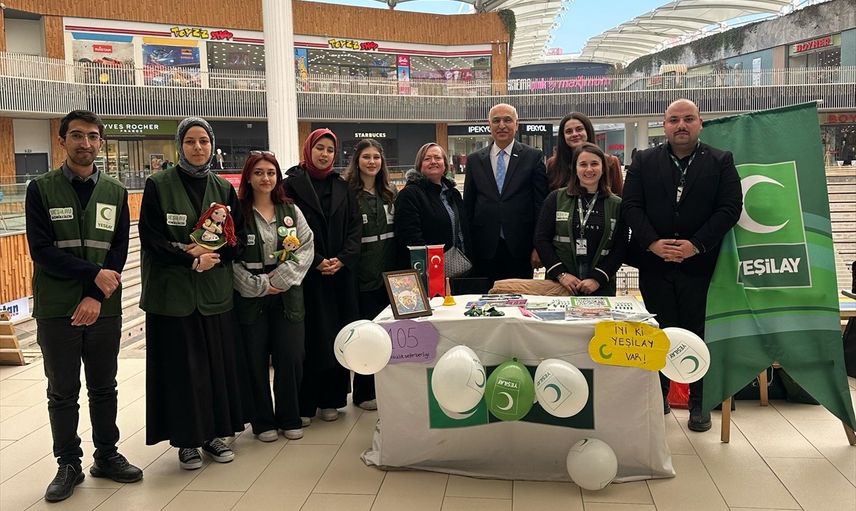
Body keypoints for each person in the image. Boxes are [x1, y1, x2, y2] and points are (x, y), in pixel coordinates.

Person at [25, 110, 142, 502]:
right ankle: (68, 463)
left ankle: (106, 455)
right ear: (63, 141)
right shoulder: (40, 189)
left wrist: (95, 295)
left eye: (92, 136)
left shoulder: (115, 191)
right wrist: (93, 276)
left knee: (104, 387)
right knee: (62, 391)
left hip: (103, 308)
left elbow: (119, 248)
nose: (85, 143)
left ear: (100, 142)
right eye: (77, 135)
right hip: (57, 307)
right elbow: (41, 250)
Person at [621, 98, 742, 432]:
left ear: (700, 123)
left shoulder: (720, 160)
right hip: (655, 264)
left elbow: (730, 208)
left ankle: (699, 403)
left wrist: (695, 245)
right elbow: (631, 206)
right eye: (674, 120)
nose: (681, 125)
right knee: (659, 333)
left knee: (697, 332)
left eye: (688, 119)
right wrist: (652, 243)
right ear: (664, 125)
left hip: (700, 265)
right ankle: (657, 397)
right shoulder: (643, 160)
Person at [139, 117, 247, 469]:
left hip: (214, 295)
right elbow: (151, 238)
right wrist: (190, 260)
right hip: (173, 297)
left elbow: (238, 240)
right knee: (181, 371)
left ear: (212, 145)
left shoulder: (223, 188)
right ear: (179, 146)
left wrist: (213, 257)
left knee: (215, 368)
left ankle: (213, 435)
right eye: (190, 141)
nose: (198, 147)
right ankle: (186, 441)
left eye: (204, 141)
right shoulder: (158, 185)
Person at [233, 151, 314, 441]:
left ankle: (290, 417)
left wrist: (279, 279)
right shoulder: (237, 213)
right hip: (250, 297)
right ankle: (263, 422)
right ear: (248, 177)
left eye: (270, 172)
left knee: (290, 356)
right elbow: (228, 257)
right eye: (258, 173)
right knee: (254, 359)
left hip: (287, 296)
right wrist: (259, 285)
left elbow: (306, 247)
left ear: (278, 177)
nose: (265, 178)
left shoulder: (290, 210)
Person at [283, 128, 361, 424]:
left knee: (337, 334)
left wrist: (342, 259)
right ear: (308, 149)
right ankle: (306, 402)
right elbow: (286, 229)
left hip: (339, 275)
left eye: (330, 149)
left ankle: (332, 398)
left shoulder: (342, 186)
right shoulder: (291, 185)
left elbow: (354, 227)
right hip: (307, 275)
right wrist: (315, 261)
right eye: (320, 148)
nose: (325, 154)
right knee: (310, 337)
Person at [463, 103, 547, 289]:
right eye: (496, 121)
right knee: (484, 300)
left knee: (518, 299)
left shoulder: (533, 157)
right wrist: (468, 246)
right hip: (483, 247)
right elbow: (468, 206)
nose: (502, 125)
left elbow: (540, 205)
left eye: (507, 120)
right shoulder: (475, 160)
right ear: (489, 125)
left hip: (520, 248)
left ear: (517, 125)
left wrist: (539, 246)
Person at [344, 139, 398, 411]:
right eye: (366, 157)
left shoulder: (389, 193)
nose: (372, 162)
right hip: (361, 276)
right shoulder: (348, 194)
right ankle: (363, 393)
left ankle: (385, 390)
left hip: (388, 276)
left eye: (376, 157)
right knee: (365, 334)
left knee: (386, 333)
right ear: (357, 161)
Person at [535, 143, 628, 296]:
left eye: (594, 164)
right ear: (574, 168)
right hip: (560, 285)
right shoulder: (556, 198)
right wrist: (561, 274)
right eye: (583, 164)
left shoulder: (616, 204)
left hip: (600, 287)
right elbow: (541, 239)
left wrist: (598, 279)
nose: (589, 169)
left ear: (603, 168)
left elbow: (621, 247)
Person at [547, 112, 624, 196]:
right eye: (569, 131)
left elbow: (619, 196)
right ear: (563, 136)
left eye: (579, 129)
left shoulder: (610, 162)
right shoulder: (553, 164)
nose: (574, 134)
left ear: (588, 131)